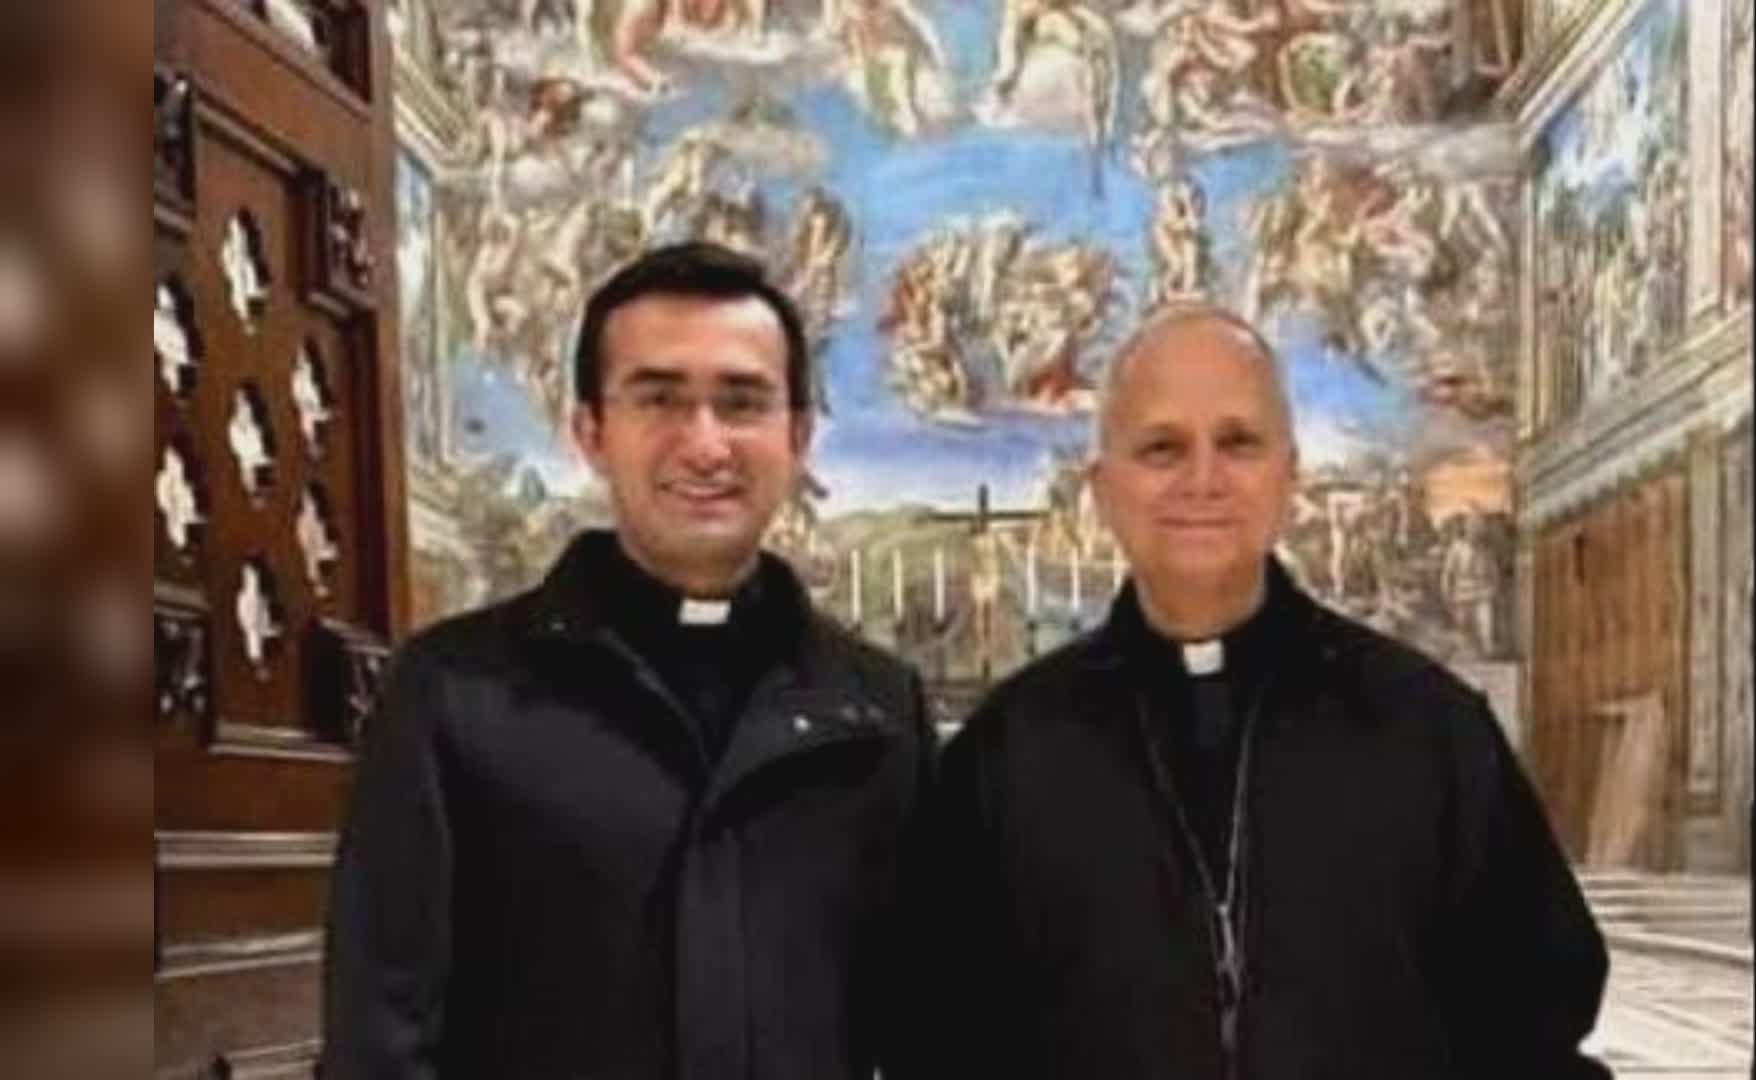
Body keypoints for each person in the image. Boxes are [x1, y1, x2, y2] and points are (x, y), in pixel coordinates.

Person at [910, 303, 1610, 1078]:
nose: (1202, 480)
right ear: (1102, 489)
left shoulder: (1430, 734)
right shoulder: (1005, 757)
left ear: (1289, 476)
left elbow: (1535, 1040)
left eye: (1238, 442)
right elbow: (945, 1051)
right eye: (1162, 448)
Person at [323, 243, 936, 1079]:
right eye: (659, 399)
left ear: (797, 436)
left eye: (742, 402)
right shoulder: (453, 694)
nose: (705, 444)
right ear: (591, 432)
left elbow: (922, 1023)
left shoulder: (876, 712)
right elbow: (382, 1037)